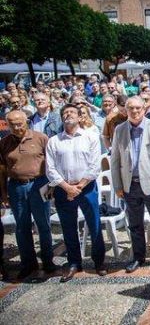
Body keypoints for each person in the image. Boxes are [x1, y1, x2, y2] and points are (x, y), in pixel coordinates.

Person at [110, 96, 150, 274]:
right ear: (126, 110)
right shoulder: (120, 130)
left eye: (138, 108)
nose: (135, 112)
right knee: (134, 224)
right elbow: (114, 160)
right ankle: (138, 256)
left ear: (144, 109)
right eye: (131, 109)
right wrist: (117, 185)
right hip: (130, 186)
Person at [45, 104, 106, 282]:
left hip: (86, 188)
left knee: (94, 225)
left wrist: (78, 187)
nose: (68, 115)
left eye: (71, 112)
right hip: (63, 190)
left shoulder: (91, 137)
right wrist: (67, 187)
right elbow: (50, 169)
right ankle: (73, 262)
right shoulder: (54, 141)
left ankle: (99, 261)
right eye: (65, 113)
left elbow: (95, 165)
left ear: (80, 117)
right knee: (69, 227)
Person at [0, 111, 56, 280]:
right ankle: (28, 263)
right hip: (16, 187)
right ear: (7, 126)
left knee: (43, 225)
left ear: (27, 122)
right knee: (22, 227)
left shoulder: (41, 138)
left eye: (19, 123)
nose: (17, 127)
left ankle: (48, 261)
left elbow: (52, 164)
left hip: (40, 184)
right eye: (12, 125)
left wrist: (52, 185)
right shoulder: (4, 143)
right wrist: (3, 193)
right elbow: (2, 170)